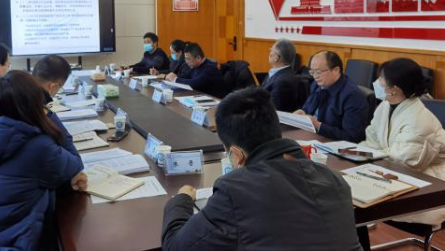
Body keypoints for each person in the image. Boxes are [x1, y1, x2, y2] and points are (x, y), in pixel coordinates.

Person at [162, 87, 362, 251]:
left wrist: (181, 199)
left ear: (236, 154)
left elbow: (175, 246)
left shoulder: (235, 190)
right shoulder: (335, 180)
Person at [0, 70, 86, 250]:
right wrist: (48, 115)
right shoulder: (38, 146)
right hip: (9, 243)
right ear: (34, 103)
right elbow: (75, 164)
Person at [360, 58, 445, 226]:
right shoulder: (385, 106)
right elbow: (372, 139)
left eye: (381, 79)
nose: (377, 82)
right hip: (391, 172)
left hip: (428, 185)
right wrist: (358, 156)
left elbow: (405, 163)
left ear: (395, 89)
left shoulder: (419, 120)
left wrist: (368, 158)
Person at [294, 51, 369, 143]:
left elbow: (352, 137)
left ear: (336, 70)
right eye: (312, 72)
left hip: (332, 144)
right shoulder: (317, 84)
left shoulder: (353, 96)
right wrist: (302, 113)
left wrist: (318, 125)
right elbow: (308, 108)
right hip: (311, 136)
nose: (315, 76)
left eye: (318, 72)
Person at [32, 55, 80, 153]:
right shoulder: (40, 110)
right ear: (53, 87)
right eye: (59, 88)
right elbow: (72, 154)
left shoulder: (18, 94)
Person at [261, 38, 303, 111]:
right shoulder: (277, 73)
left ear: (276, 58)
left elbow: (273, 110)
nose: (270, 53)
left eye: (271, 50)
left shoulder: (283, 82)